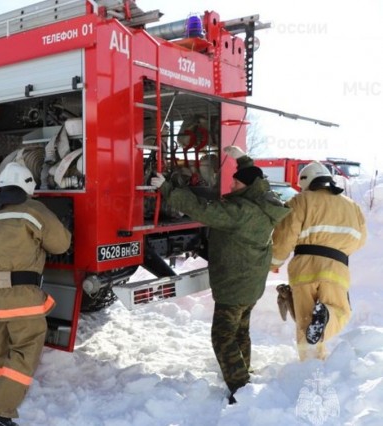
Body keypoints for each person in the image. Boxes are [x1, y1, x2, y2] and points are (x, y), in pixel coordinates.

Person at [150, 146, 290, 404]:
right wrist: (242, 160)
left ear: (246, 186)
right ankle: (243, 372)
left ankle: (239, 388)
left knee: (222, 336)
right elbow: (257, 179)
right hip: (251, 283)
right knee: (240, 331)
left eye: (236, 181)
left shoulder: (241, 212)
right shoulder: (265, 200)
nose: (233, 183)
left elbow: (202, 210)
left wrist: (167, 188)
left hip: (235, 286)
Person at [0, 162, 71, 426]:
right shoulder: (33, 209)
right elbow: (61, 244)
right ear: (27, 186)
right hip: (21, 295)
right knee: (26, 349)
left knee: (0, 351)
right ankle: (0, 410)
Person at [270, 161, 367, 360]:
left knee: (305, 324)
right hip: (336, 268)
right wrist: (338, 249)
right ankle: (327, 316)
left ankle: (309, 366)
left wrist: (275, 262)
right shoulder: (352, 206)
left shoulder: (300, 200)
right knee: (340, 311)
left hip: (303, 269)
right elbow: (360, 240)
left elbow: (285, 235)